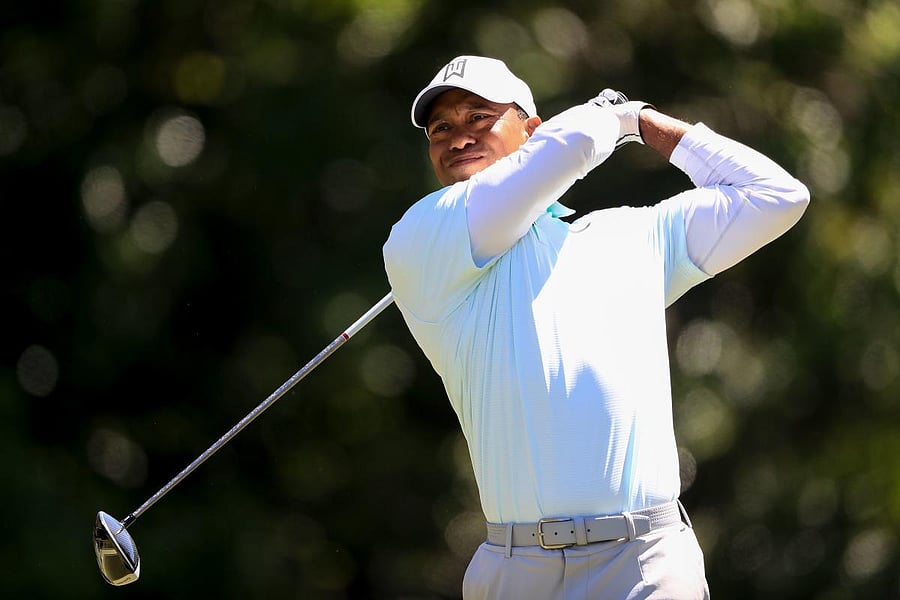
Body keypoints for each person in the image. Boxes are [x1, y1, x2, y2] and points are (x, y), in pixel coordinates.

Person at [382, 55, 809, 599]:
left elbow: (777, 196)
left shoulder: (627, 237)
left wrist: (647, 123)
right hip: (517, 570)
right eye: (442, 128)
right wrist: (611, 119)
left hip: (645, 560)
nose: (458, 138)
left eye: (478, 118)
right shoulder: (421, 239)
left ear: (531, 129)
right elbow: (572, 148)